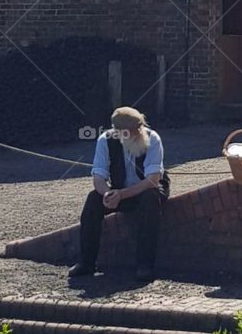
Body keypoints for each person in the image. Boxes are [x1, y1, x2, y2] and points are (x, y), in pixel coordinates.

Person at [69, 105, 169, 284]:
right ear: (119, 132)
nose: (138, 133)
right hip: (119, 191)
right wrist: (108, 194)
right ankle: (87, 262)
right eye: (131, 131)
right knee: (93, 200)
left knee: (150, 199)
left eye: (139, 128)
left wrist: (121, 195)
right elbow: (98, 177)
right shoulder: (104, 140)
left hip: (146, 190)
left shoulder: (153, 138)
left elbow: (152, 180)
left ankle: (144, 265)